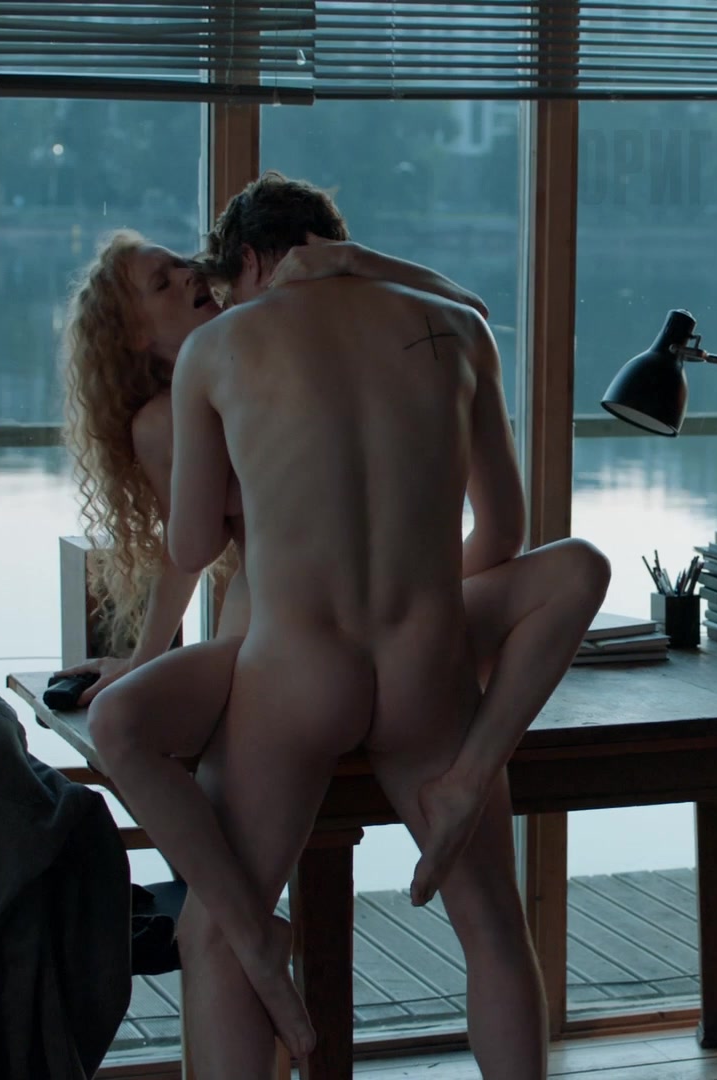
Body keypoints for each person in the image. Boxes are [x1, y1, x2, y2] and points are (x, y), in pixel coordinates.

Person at [56, 212, 606, 1073]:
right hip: (421, 661)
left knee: (214, 933)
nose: (207, 285)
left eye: (210, 272)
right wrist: (419, 593)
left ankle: (256, 938)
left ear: (251, 260)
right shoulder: (444, 329)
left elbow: (190, 548)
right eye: (171, 280)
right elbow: (502, 526)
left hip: (294, 668)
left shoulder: (221, 354)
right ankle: (458, 785)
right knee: (496, 930)